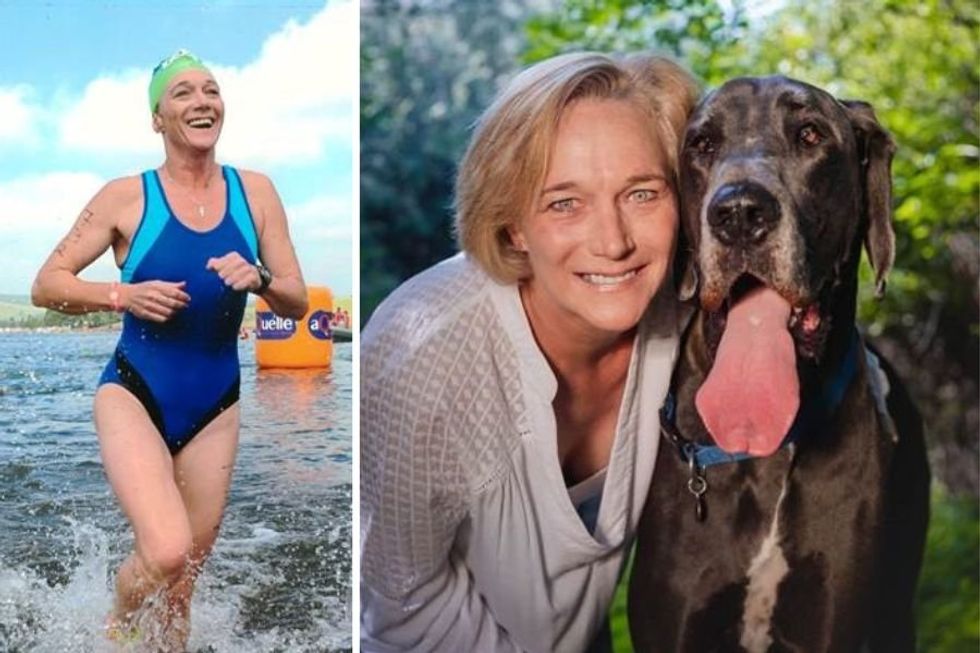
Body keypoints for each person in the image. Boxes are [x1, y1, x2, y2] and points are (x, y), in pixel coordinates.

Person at [360, 52, 699, 652]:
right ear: (513, 223)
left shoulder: (692, 316)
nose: (614, 242)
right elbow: (402, 604)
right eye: (564, 202)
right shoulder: (424, 355)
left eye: (643, 193)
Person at [31, 50, 308, 650]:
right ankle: (116, 631)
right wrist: (120, 293)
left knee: (182, 583)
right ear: (158, 118)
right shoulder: (125, 197)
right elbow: (46, 284)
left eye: (210, 89)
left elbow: (296, 300)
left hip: (217, 404)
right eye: (182, 93)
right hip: (135, 389)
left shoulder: (255, 192)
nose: (201, 100)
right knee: (164, 549)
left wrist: (259, 278)